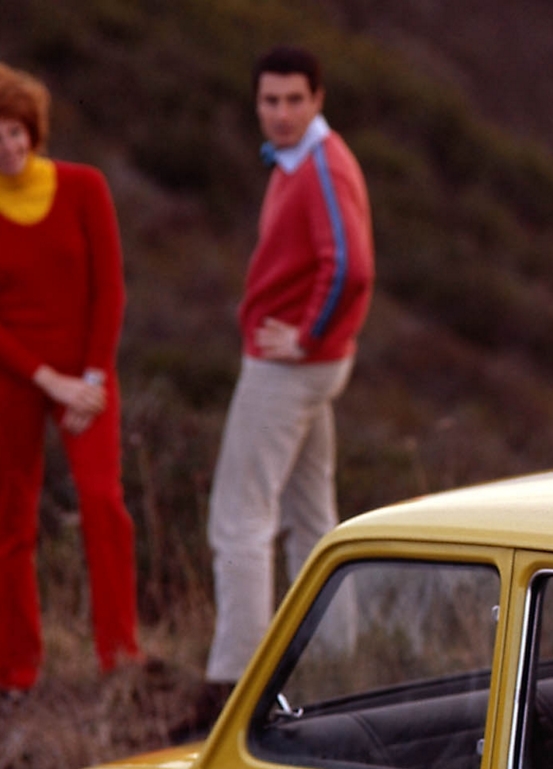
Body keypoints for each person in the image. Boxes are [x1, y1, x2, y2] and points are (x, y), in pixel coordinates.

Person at [204, 44, 374, 691]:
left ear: (317, 99)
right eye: (269, 101)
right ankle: (339, 662)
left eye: (294, 100)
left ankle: (232, 681)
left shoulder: (323, 166)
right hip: (312, 367)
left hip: (290, 369)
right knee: (312, 517)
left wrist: (306, 336)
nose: (280, 113)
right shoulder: (297, 158)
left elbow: (351, 267)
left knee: (239, 520)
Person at [0, 60, 141, 694]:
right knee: (10, 524)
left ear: (32, 129)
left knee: (102, 502)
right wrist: (46, 379)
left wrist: (89, 376)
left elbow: (110, 289)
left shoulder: (85, 188)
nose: (7, 146)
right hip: (16, 378)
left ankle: (121, 658)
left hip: (87, 376)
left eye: (13, 130)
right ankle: (18, 673)